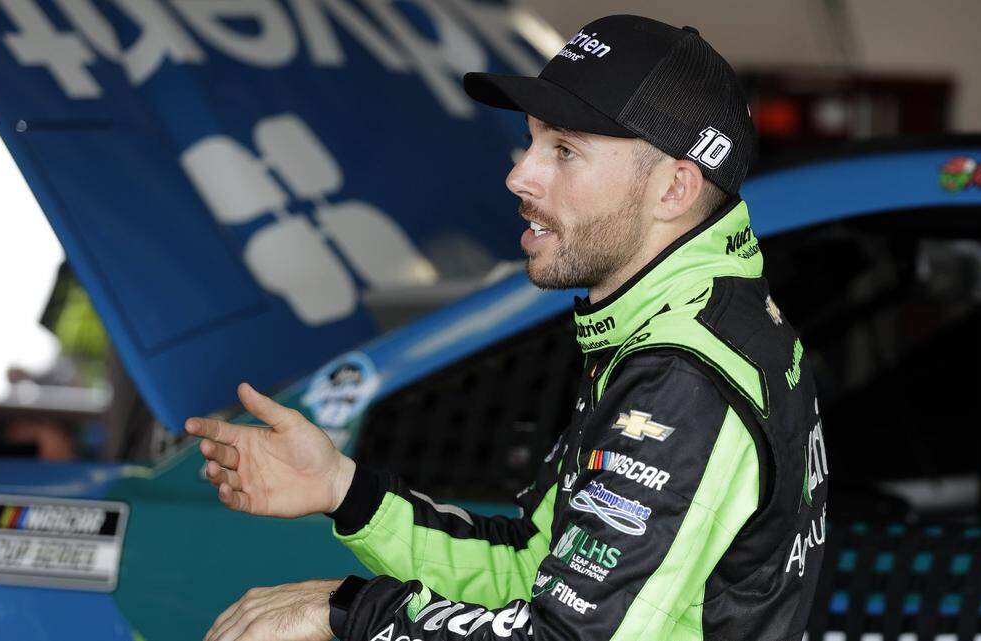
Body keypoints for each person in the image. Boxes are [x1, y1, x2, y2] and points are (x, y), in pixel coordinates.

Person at [185, 14, 828, 641]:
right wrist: (343, 490)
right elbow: (530, 571)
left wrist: (347, 612)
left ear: (673, 190)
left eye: (565, 150)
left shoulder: (685, 377)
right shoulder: (679, 333)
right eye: (532, 139)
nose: (519, 175)